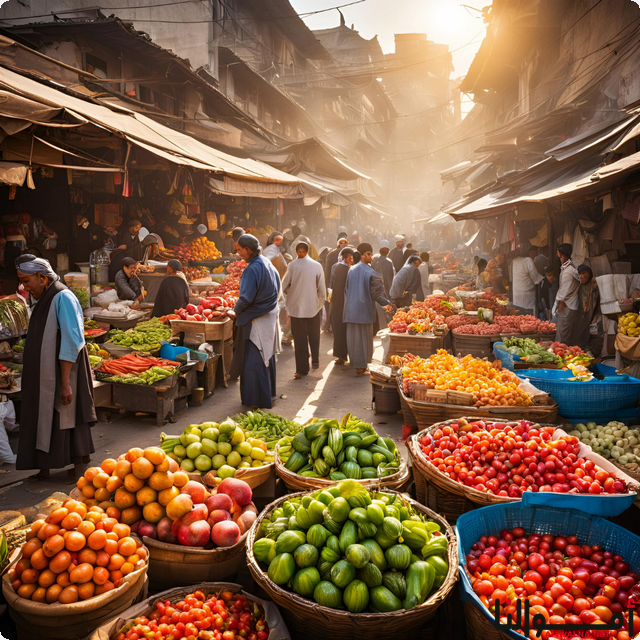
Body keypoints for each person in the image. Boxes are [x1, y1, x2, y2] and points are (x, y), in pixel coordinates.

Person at [15, 255, 95, 481]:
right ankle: (44, 466)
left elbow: (72, 340)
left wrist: (66, 381)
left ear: (42, 277)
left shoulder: (63, 297)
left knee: (66, 414)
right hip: (47, 370)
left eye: (26, 280)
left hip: (65, 369)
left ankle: (79, 468)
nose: (24, 286)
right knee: (43, 413)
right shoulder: (44, 297)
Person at [229, 234, 281, 408]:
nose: (238, 254)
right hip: (268, 316)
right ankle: (269, 394)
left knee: (254, 359)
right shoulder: (267, 263)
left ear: (248, 249)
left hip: (257, 321)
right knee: (267, 356)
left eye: (239, 251)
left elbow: (245, 298)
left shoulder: (252, 269)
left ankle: (257, 400)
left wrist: (233, 311)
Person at [343, 243, 394, 375]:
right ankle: (361, 367)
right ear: (361, 255)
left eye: (371, 254)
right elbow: (377, 294)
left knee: (354, 339)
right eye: (368, 254)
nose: (371, 257)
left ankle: (357, 365)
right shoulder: (371, 273)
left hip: (350, 310)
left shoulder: (351, 269)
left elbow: (346, 290)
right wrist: (388, 304)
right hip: (364, 310)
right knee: (364, 340)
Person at [282, 242, 326, 379]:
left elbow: (284, 285)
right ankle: (314, 361)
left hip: (296, 308)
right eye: (298, 251)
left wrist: (288, 297)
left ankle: (302, 369)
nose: (300, 254)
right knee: (313, 336)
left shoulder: (293, 266)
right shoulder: (316, 265)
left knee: (301, 339)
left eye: (302, 251)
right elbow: (322, 289)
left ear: (306, 251)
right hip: (312, 307)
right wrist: (319, 303)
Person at [330, 246, 354, 365]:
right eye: (350, 257)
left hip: (339, 304)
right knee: (341, 330)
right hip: (342, 305)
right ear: (345, 258)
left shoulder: (341, 268)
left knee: (341, 330)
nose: (351, 259)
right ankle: (342, 355)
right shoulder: (343, 269)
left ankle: (342, 355)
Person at [554, 243, 580, 345]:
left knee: (563, 338)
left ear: (560, 253)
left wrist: (560, 303)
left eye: (557, 252)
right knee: (563, 334)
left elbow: (564, 291)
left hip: (567, 306)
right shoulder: (567, 268)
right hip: (567, 305)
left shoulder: (569, 271)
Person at [576, 265, 603, 356]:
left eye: (585, 273)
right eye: (580, 274)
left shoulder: (594, 287)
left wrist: (596, 316)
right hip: (579, 316)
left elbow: (599, 301)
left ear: (589, 274)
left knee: (592, 336)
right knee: (579, 336)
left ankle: (590, 354)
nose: (582, 276)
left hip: (591, 314)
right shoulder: (576, 286)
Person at [323, 234, 349, 332]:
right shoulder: (350, 253)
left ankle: (329, 323)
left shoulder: (331, 254)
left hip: (332, 285)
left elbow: (327, 273)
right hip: (346, 285)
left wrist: (327, 286)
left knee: (331, 304)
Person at [511, 248, 543, 314]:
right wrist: (544, 278)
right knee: (528, 318)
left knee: (518, 317)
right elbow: (536, 278)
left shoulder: (514, 261)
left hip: (516, 295)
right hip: (527, 297)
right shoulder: (528, 260)